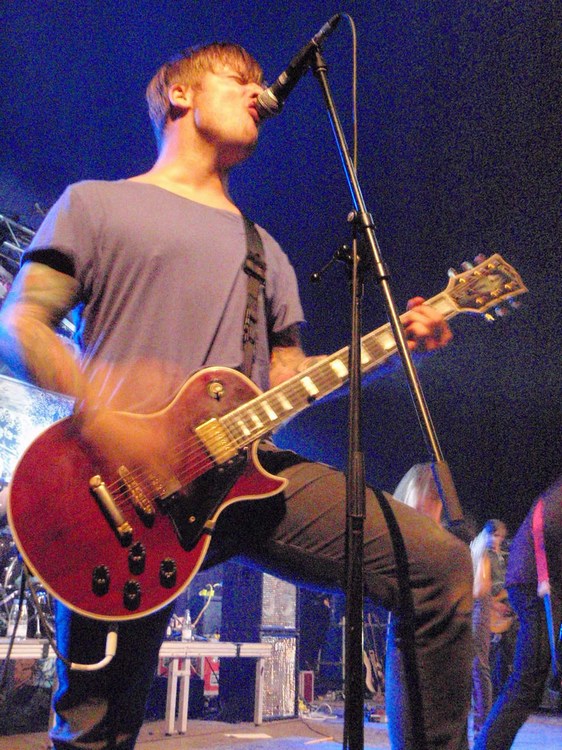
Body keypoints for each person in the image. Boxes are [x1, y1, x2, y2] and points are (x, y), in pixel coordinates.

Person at [0, 42, 473, 750]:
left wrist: (395, 346)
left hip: (247, 478)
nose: (258, 92)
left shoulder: (264, 251)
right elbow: (20, 325)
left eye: (259, 82)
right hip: (118, 493)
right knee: (98, 727)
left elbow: (287, 379)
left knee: (437, 566)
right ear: (181, 94)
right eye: (238, 79)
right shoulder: (96, 204)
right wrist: (105, 409)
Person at [474, 476, 562, 749]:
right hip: (536, 585)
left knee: (529, 683)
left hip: (533, 582)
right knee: (527, 681)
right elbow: (545, 524)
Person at [470, 525, 494, 739]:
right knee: (477, 667)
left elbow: (479, 590)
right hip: (476, 612)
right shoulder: (479, 553)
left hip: (478, 613)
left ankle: (482, 722)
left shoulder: (482, 555)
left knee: (479, 667)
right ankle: (480, 720)